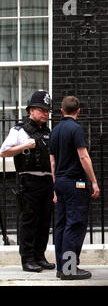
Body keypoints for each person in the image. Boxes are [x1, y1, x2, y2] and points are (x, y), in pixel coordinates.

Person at [0, 90, 55, 272]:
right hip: (29, 181)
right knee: (29, 221)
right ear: (31, 110)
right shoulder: (19, 130)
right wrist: (25, 145)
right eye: (42, 110)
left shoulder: (48, 132)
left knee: (44, 221)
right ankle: (28, 259)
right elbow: (4, 151)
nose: (45, 114)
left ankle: (39, 256)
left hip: (46, 182)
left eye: (47, 110)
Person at [49, 95, 100, 280]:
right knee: (75, 224)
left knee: (61, 225)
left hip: (60, 182)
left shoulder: (54, 131)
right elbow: (83, 157)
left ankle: (61, 267)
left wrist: (55, 185)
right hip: (75, 183)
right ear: (78, 111)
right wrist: (93, 181)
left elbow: (52, 162)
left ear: (62, 110)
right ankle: (70, 269)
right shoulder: (76, 129)